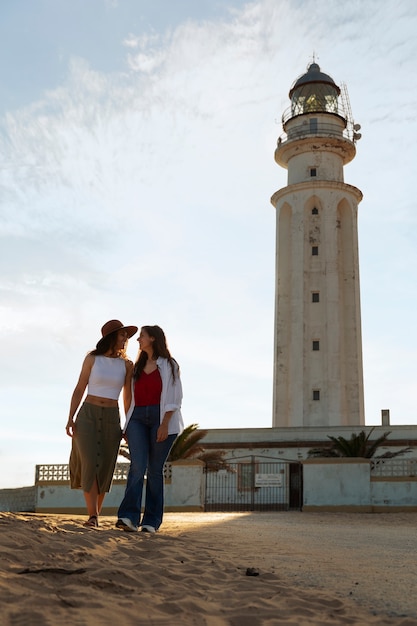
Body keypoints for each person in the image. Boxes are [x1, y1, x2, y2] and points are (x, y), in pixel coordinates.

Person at [66, 319, 138, 528]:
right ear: (110, 336)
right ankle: (93, 516)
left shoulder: (127, 364)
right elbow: (80, 388)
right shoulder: (92, 358)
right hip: (87, 413)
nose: (125, 339)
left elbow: (127, 397)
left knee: (105, 464)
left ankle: (94, 515)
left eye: (127, 335)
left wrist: (128, 423)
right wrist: (70, 417)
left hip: (111, 416)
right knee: (89, 462)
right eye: (122, 334)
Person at [116, 325, 183, 533]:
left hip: (161, 419)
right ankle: (128, 517)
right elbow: (129, 397)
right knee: (137, 465)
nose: (138, 340)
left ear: (153, 338)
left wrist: (164, 424)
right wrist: (127, 423)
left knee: (154, 471)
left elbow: (175, 398)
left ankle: (151, 522)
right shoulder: (137, 367)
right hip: (137, 418)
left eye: (142, 336)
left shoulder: (169, 365)